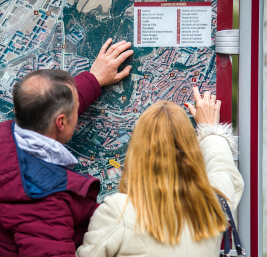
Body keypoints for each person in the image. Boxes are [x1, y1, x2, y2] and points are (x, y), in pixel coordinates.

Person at [0, 39, 133, 257]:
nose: (77, 114)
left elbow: (47, 105)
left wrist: (94, 79)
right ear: (61, 122)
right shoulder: (46, 204)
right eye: (76, 111)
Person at [77, 87, 244, 257]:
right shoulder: (212, 203)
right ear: (191, 149)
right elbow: (224, 170)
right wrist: (209, 129)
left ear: (137, 149)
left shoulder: (118, 211)